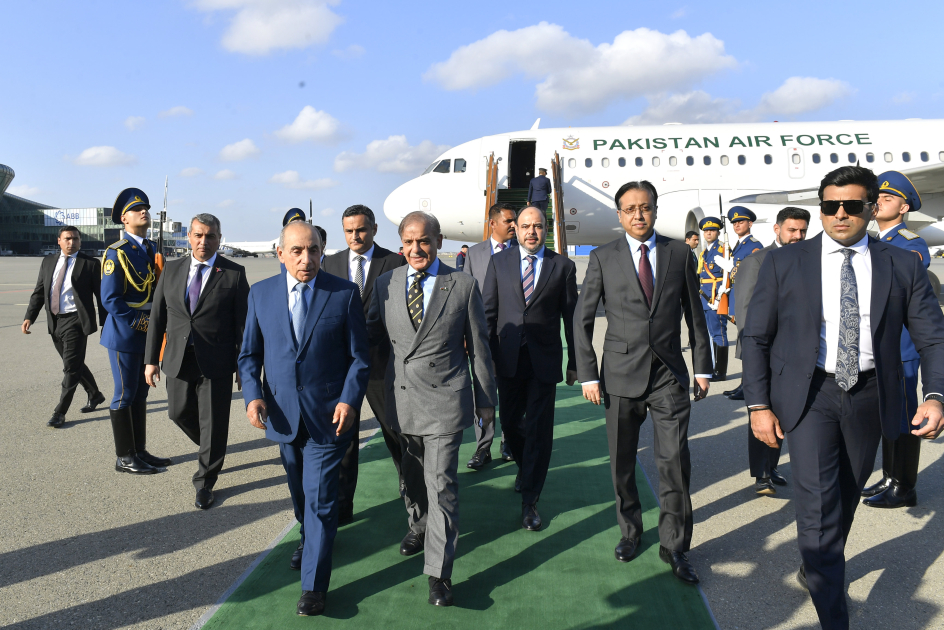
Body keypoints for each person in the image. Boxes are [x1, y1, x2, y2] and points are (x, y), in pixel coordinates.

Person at [742, 166, 944, 630]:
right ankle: (834, 614)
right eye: (830, 205)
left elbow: (933, 338)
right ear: (820, 209)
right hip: (810, 394)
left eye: (851, 205)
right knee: (816, 505)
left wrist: (935, 396)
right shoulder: (785, 262)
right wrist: (758, 405)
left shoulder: (902, 264)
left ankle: (817, 565)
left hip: (870, 394)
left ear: (870, 208)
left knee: (846, 495)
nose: (839, 214)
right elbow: (755, 337)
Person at [575, 180, 712, 584]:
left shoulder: (679, 253)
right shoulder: (603, 257)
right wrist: (588, 374)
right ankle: (630, 531)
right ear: (620, 215)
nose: (639, 214)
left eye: (645, 207)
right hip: (619, 377)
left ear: (654, 210)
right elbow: (582, 320)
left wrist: (702, 368)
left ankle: (675, 545)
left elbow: (695, 314)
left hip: (668, 374)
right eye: (630, 208)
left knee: (675, 463)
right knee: (622, 463)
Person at [238, 220, 369, 616]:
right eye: (296, 251)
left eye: (313, 250)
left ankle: (313, 587)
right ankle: (309, 536)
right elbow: (249, 355)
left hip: (328, 419)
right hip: (282, 417)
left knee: (320, 501)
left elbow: (359, 358)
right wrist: (253, 396)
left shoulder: (343, 294)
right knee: (300, 494)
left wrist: (349, 400)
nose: (306, 259)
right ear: (280, 254)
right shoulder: (261, 294)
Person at [367, 211, 497, 607]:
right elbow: (367, 336)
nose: (416, 249)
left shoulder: (462, 285)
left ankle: (439, 573)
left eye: (423, 240)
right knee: (411, 477)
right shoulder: (386, 284)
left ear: (439, 241)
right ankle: (419, 525)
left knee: (441, 485)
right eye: (408, 242)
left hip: (444, 401)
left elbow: (479, 348)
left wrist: (486, 401)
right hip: (401, 400)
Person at [144, 214, 250, 510]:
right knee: (177, 413)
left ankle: (205, 482)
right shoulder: (172, 269)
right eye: (199, 235)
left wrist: (244, 364)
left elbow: (244, 324)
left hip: (217, 360)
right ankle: (211, 446)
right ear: (189, 237)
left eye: (210, 236)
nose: (204, 241)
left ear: (219, 239)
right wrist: (151, 360)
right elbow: (157, 316)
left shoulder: (233, 273)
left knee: (214, 421)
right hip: (178, 358)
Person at [482, 206, 577, 531]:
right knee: (511, 425)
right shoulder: (499, 262)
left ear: (545, 228)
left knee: (538, 430)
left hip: (543, 361)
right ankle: (526, 468)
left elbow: (571, 319)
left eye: (537, 226)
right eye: (525, 226)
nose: (531, 232)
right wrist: (486, 360)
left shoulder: (562, 266)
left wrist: (575, 362)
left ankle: (530, 500)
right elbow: (488, 313)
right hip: (507, 359)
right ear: (517, 230)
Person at [321, 204, 407, 524]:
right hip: (342, 366)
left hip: (382, 363)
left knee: (394, 429)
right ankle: (343, 506)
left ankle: (409, 483)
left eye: (361, 229)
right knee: (343, 437)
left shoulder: (394, 262)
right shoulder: (330, 263)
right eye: (349, 231)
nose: (355, 236)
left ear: (374, 229)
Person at [861, 171, 931, 509]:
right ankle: (890, 476)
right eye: (877, 198)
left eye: (887, 199)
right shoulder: (873, 239)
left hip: (900, 344)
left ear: (904, 208)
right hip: (880, 343)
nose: (879, 203)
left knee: (903, 413)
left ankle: (904, 487)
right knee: (888, 412)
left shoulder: (910, 243)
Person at [729, 207, 810, 494]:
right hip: (766, 352)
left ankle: (772, 466)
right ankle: (762, 473)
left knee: (787, 412)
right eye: (792, 230)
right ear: (777, 229)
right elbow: (745, 309)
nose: (797, 236)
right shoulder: (757, 261)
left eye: (802, 231)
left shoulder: (809, 259)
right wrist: (752, 352)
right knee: (762, 409)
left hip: (799, 353)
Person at [100, 188, 172, 474]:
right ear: (124, 219)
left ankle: (139, 451)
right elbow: (110, 300)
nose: (144, 212)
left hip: (148, 334)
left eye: (146, 208)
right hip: (125, 334)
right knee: (124, 393)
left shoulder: (151, 249)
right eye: (137, 209)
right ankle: (124, 457)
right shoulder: (116, 253)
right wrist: (142, 323)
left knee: (141, 394)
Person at [23, 225, 107, 427]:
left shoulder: (90, 263)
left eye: (76, 239)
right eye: (68, 238)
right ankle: (95, 394)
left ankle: (60, 412)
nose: (72, 242)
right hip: (54, 320)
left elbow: (101, 296)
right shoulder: (48, 261)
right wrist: (29, 317)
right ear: (59, 241)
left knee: (70, 368)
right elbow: (39, 291)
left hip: (76, 321)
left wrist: (106, 323)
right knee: (74, 364)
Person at [462, 202, 517, 468]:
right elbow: (464, 294)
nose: (514, 225)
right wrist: (463, 332)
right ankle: (483, 448)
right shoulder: (474, 254)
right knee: (483, 393)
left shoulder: (521, 251)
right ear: (493, 223)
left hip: (513, 336)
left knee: (511, 393)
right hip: (481, 335)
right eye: (508, 221)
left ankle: (510, 442)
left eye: (515, 220)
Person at [720, 207, 763, 400]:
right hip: (739, 300)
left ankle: (749, 386)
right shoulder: (738, 246)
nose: (737, 225)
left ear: (750, 224)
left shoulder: (754, 246)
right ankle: (744, 383)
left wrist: (732, 269)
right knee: (743, 344)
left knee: (749, 346)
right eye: (734, 223)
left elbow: (752, 275)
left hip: (748, 301)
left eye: (741, 222)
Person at [696, 216, 731, 380]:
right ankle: (711, 367)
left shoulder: (723, 249)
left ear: (718, 232)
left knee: (719, 333)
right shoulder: (705, 252)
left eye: (712, 230)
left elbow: (727, 276)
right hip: (704, 298)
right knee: (708, 334)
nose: (709, 233)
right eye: (706, 231)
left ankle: (720, 371)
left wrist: (720, 296)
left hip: (716, 299)